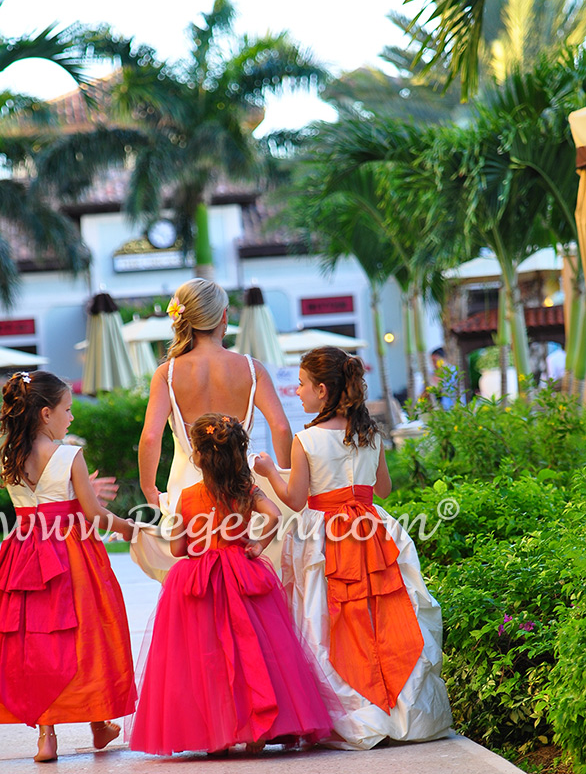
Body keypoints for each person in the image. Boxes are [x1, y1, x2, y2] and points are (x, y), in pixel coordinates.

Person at [254, 347, 453, 750]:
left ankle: (352, 712)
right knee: (383, 612)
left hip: (324, 537)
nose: (298, 391)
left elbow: (294, 499)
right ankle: (399, 710)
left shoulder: (305, 439)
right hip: (371, 530)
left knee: (329, 620)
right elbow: (383, 489)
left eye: (303, 384)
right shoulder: (369, 432)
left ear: (322, 390)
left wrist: (269, 472)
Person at [129, 413, 335, 755]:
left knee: (207, 654)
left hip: (200, 581)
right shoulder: (247, 490)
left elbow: (179, 548)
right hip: (243, 573)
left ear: (197, 455)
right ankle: (257, 729)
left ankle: (215, 735)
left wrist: (197, 542)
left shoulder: (189, 496)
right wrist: (257, 544)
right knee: (252, 649)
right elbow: (275, 515)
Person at [0, 370, 137, 763]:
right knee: (89, 634)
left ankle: (47, 736)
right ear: (45, 413)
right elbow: (93, 514)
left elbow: (42, 505)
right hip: (70, 558)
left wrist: (78, 493)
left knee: (36, 643)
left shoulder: (13, 456)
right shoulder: (69, 454)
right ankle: (99, 720)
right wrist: (130, 529)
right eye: (67, 409)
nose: (71, 417)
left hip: (24, 556)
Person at [132, 278, 292, 582]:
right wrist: (283, 477)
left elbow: (151, 437)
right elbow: (281, 428)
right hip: (240, 486)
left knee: (193, 584)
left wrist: (149, 488)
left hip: (187, 490)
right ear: (223, 317)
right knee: (244, 580)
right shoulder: (251, 368)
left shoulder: (167, 374)